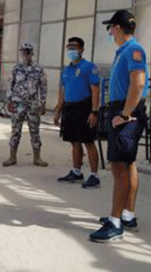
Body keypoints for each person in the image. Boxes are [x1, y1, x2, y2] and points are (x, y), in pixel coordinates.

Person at [89, 10, 149, 243]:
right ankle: (127, 216)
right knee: (128, 163)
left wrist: (125, 114)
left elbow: (139, 83)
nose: (109, 32)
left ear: (118, 28)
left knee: (119, 167)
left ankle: (115, 224)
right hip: (123, 110)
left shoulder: (134, 50)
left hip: (126, 113)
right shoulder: (124, 51)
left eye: (110, 28)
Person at [54, 37, 101, 189]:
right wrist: (58, 111)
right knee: (74, 141)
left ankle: (94, 175)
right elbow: (63, 91)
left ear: (81, 49)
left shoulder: (88, 67)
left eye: (74, 47)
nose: (71, 50)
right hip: (69, 108)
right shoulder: (66, 70)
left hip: (84, 108)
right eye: (69, 47)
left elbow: (95, 89)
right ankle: (76, 171)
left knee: (88, 141)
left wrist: (94, 111)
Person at [3, 42, 49, 167]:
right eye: (23, 52)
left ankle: (37, 157)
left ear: (32, 53)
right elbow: (10, 85)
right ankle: (12, 157)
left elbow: (43, 87)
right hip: (18, 104)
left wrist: (43, 103)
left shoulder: (38, 69)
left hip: (33, 104)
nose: (26, 54)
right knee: (15, 130)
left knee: (34, 131)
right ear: (21, 53)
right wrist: (9, 100)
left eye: (28, 52)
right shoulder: (16, 68)